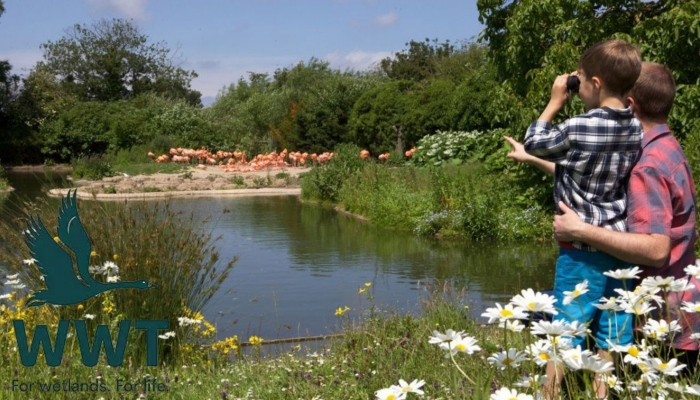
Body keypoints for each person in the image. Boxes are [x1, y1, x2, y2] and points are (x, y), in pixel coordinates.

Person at [505, 62, 700, 391]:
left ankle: (552, 391)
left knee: (534, 313)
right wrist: (534, 158)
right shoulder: (664, 147)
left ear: (629, 104)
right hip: (677, 312)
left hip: (660, 329)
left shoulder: (647, 167)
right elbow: (595, 184)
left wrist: (579, 231)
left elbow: (656, 249)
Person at [519, 39, 643, 398]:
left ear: (596, 84)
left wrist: (555, 101)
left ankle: (550, 392)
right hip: (620, 247)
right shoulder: (635, 128)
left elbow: (535, 142)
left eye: (582, 80)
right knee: (613, 331)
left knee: (565, 329)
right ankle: (602, 393)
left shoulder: (579, 127)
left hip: (580, 249)